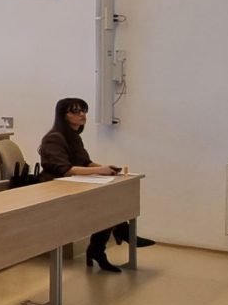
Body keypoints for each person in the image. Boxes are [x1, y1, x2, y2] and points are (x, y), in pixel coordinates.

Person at [38, 97, 153, 271]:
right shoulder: (54, 138)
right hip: (55, 187)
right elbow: (65, 170)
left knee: (110, 197)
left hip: (72, 184)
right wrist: (100, 170)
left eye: (84, 110)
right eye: (76, 111)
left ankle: (102, 246)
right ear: (63, 115)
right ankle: (110, 241)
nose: (82, 115)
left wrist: (107, 168)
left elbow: (85, 162)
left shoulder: (74, 137)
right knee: (105, 203)